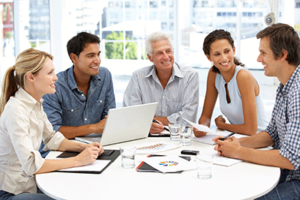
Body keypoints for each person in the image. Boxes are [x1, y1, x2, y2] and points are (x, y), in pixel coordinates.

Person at [0, 48, 104, 199]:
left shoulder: (35, 103)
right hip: (12, 192)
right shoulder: (16, 110)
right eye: (50, 73)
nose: (56, 78)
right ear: (31, 77)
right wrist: (77, 160)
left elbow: (52, 139)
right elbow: (31, 165)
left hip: (30, 184)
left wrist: (85, 147)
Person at [214, 23, 300, 200]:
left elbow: (289, 159)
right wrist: (234, 144)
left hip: (296, 178)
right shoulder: (284, 87)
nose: (258, 59)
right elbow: (272, 135)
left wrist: (237, 151)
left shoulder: (298, 92)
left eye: (263, 53)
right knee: (232, 186)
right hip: (287, 172)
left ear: (283, 54)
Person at [194, 29, 268, 137]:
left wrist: (222, 125)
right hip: (237, 138)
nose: (224, 58)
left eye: (227, 51)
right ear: (209, 57)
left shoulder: (243, 76)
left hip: (259, 139)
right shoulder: (214, 74)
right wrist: (202, 127)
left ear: (233, 50)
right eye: (217, 54)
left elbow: (250, 130)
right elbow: (206, 115)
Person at [42, 32, 116, 139]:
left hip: (99, 143)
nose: (98, 61)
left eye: (98, 54)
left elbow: (109, 118)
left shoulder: (105, 75)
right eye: (91, 56)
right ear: (74, 58)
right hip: (66, 147)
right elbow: (52, 131)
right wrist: (93, 128)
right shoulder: (56, 85)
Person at [123, 31, 199, 134]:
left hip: (179, 138)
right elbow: (130, 114)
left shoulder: (190, 76)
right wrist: (146, 125)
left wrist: (148, 121)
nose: (166, 56)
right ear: (150, 57)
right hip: (146, 138)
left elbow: (188, 119)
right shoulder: (138, 77)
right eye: (159, 53)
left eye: (168, 51)